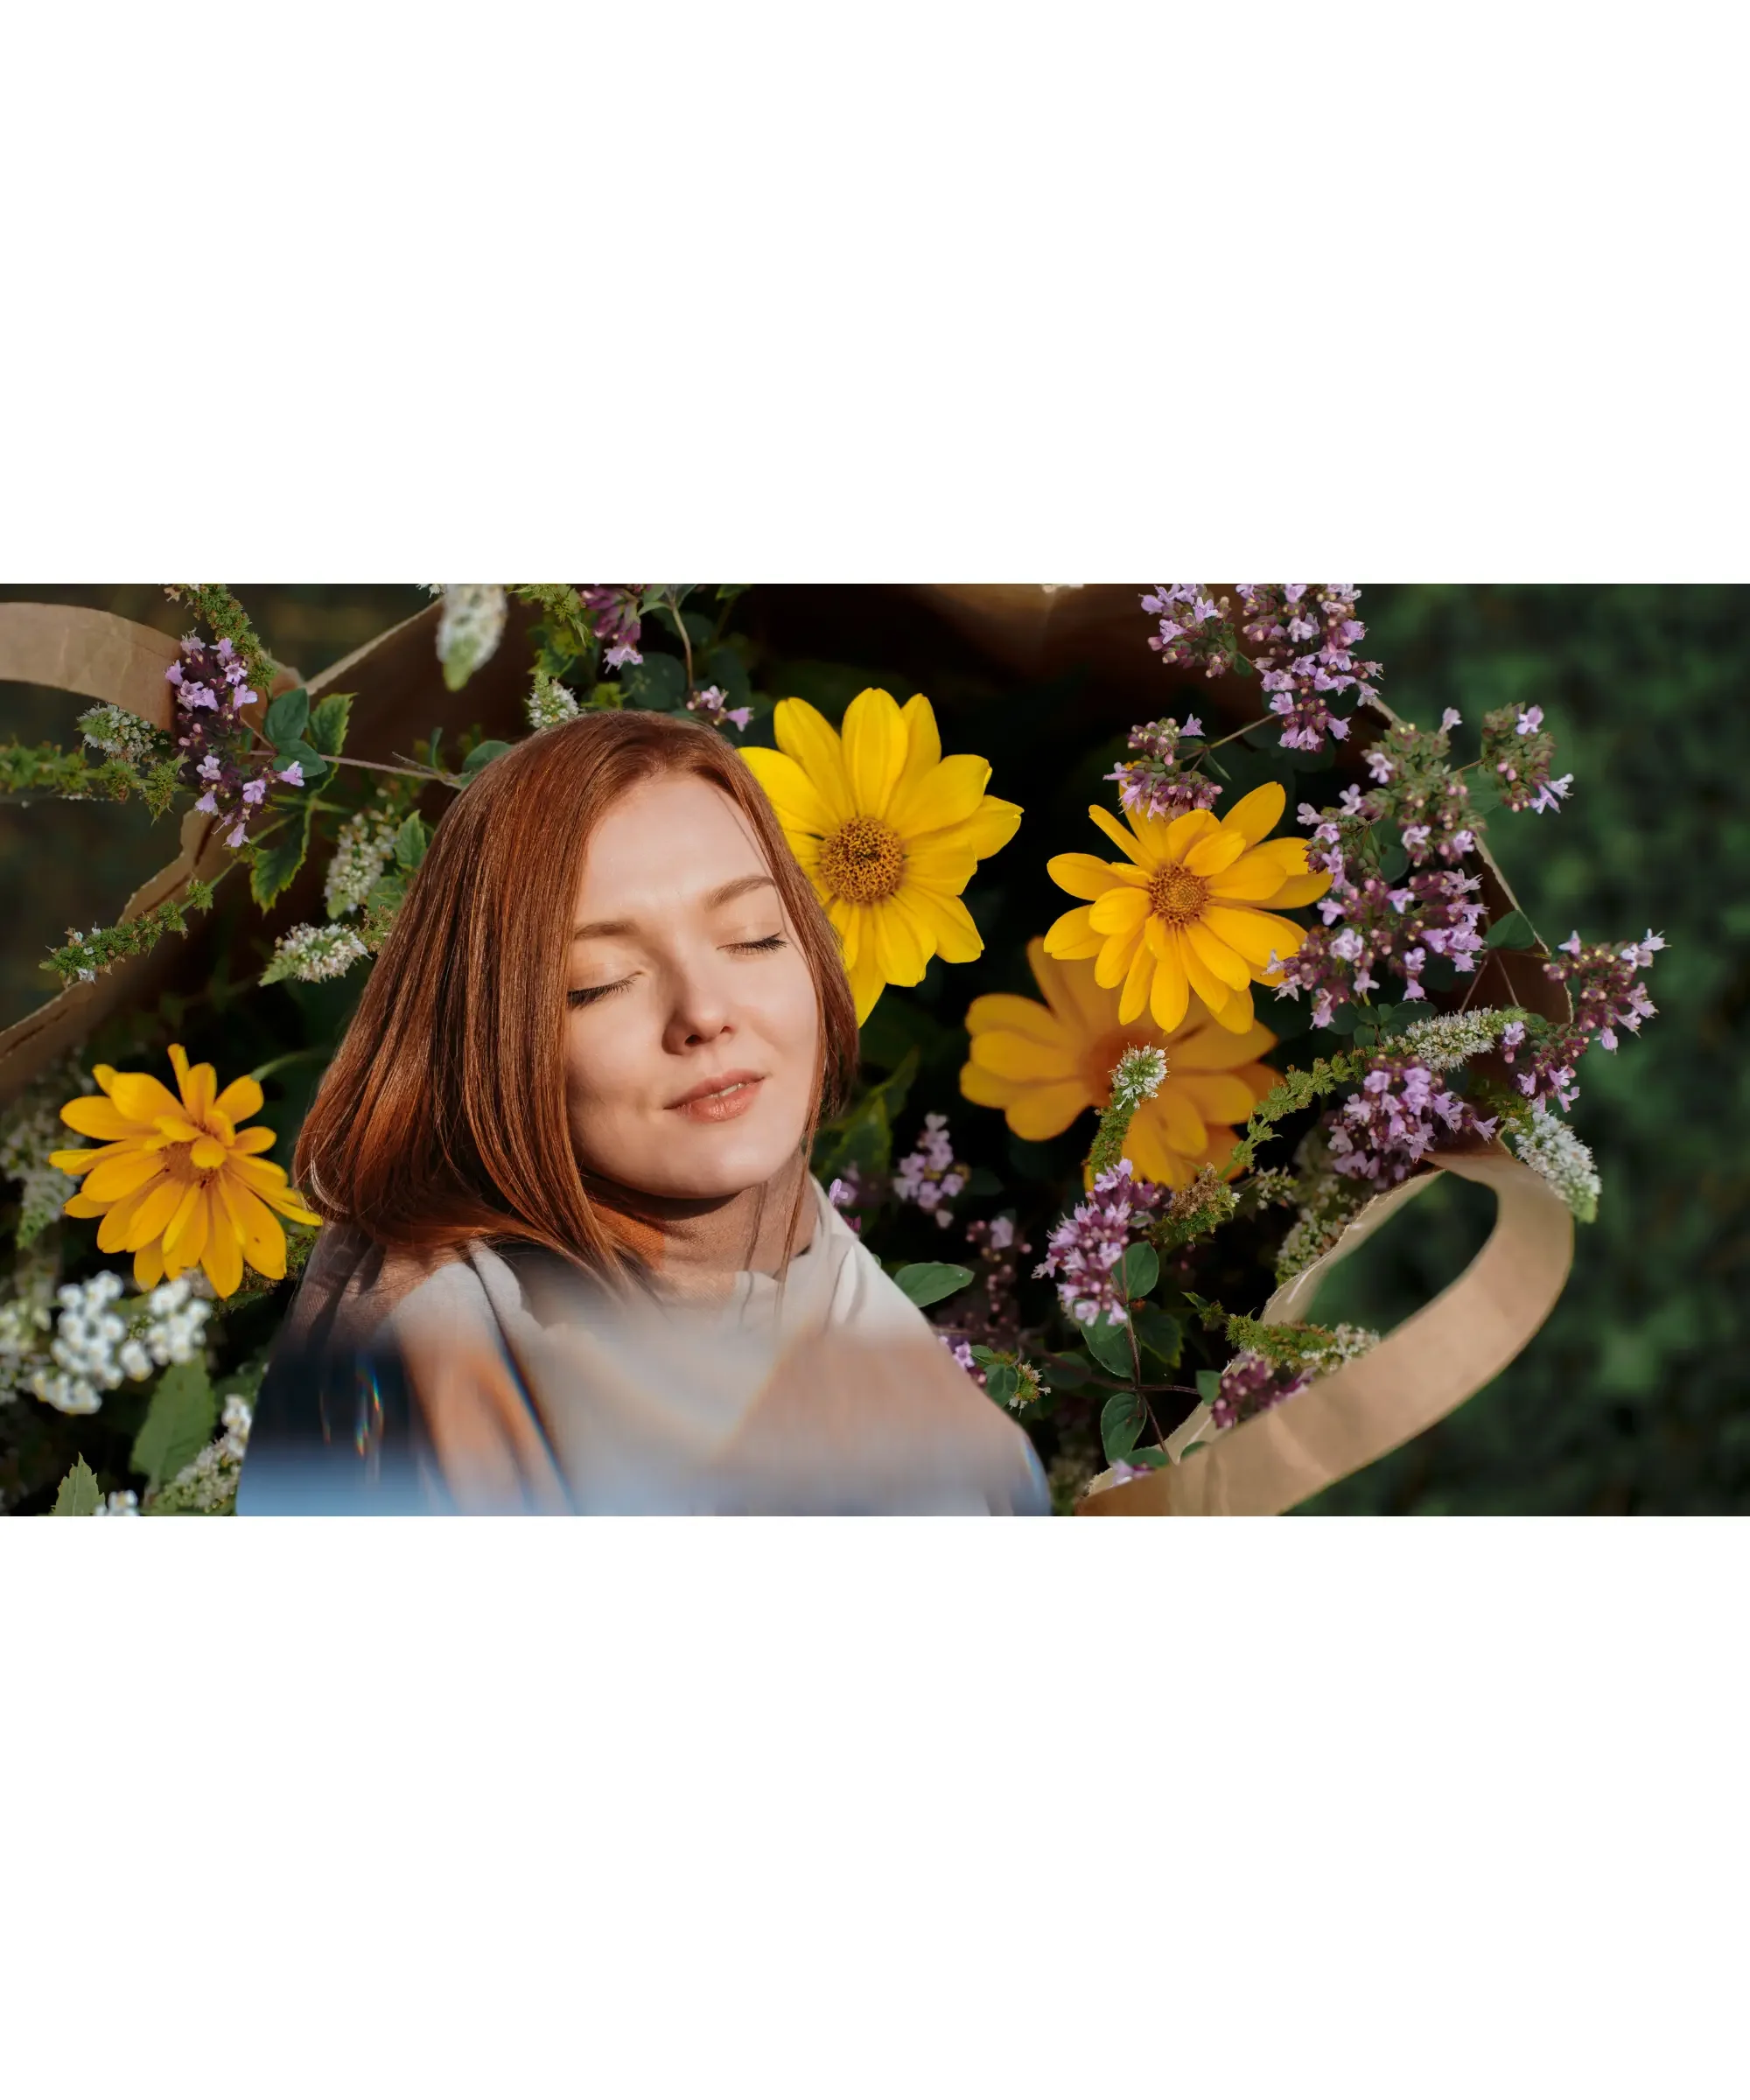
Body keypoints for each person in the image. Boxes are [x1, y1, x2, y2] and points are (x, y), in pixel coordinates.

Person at [237, 710, 1047, 1515]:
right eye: (599, 980)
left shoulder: (780, 1226)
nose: (705, 1010)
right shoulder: (443, 1351)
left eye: (755, 936)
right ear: (490, 1040)